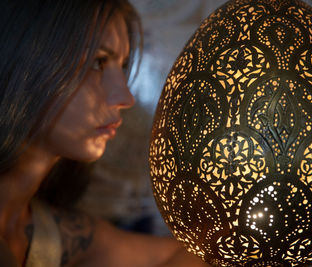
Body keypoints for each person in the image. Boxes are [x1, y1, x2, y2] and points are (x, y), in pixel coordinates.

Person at [0, 0, 209, 266]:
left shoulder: (48, 231)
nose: (125, 97)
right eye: (98, 62)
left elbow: (185, 254)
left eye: (121, 67)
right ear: (21, 61)